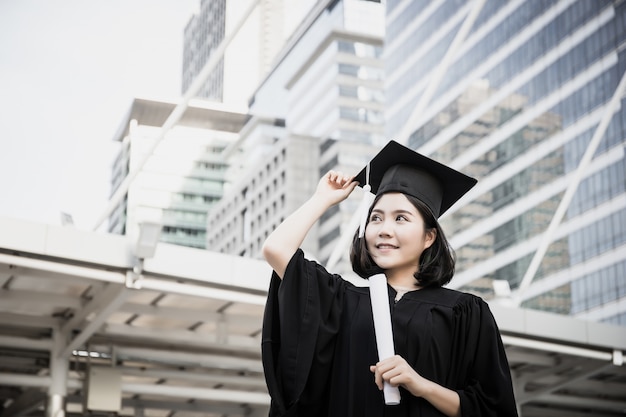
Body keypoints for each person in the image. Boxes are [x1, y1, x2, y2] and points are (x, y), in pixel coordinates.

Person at [261, 140, 518, 417]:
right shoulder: (341, 300)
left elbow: (492, 408)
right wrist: (323, 199)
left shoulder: (465, 313)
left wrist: (421, 385)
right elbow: (277, 249)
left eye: (400, 219)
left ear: (429, 237)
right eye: (376, 218)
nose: (384, 230)